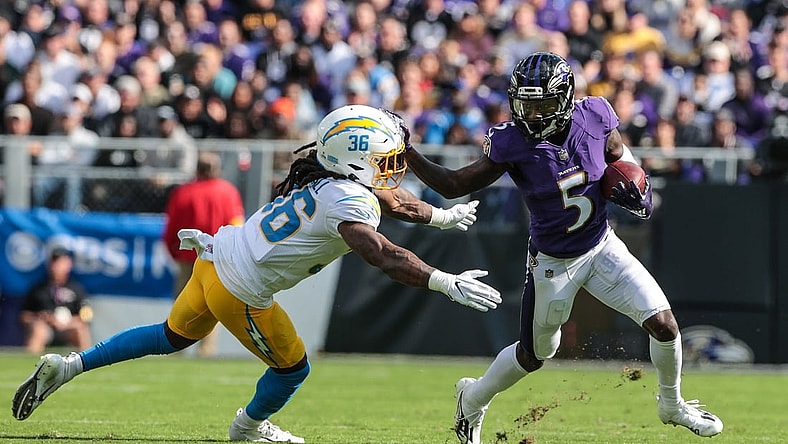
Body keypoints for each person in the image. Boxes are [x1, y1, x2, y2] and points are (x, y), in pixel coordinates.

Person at [12, 105, 502, 443]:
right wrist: (442, 280)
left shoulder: (325, 176)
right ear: (356, 162)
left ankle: (69, 366)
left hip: (215, 257)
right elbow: (381, 253)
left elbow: (391, 201)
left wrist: (440, 217)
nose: (394, 169)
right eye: (385, 160)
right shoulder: (348, 199)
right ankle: (248, 427)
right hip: (239, 288)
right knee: (293, 368)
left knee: (170, 336)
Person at [397, 52, 724, 443]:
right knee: (534, 356)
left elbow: (620, 156)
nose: (533, 115)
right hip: (553, 261)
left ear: (566, 99)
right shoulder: (511, 141)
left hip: (602, 246)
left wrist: (639, 187)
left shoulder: (597, 114)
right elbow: (453, 185)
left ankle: (672, 404)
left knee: (665, 325)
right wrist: (408, 152)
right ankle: (473, 396)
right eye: (526, 105)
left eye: (543, 105)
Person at [162, 150, 245, 357]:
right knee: (212, 306)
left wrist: (175, 254)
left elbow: (170, 229)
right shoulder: (227, 192)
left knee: (182, 305)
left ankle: (176, 349)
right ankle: (206, 352)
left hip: (187, 258)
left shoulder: (183, 192)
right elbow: (237, 225)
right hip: (216, 259)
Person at [19, 247, 92, 355]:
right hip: (46, 328)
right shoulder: (38, 289)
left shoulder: (76, 289)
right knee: (38, 330)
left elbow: (86, 316)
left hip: (68, 328)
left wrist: (68, 322)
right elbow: (24, 316)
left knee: (81, 330)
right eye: (54, 262)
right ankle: (30, 366)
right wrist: (40, 318)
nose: (56, 267)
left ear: (69, 265)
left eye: (61, 263)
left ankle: (86, 360)